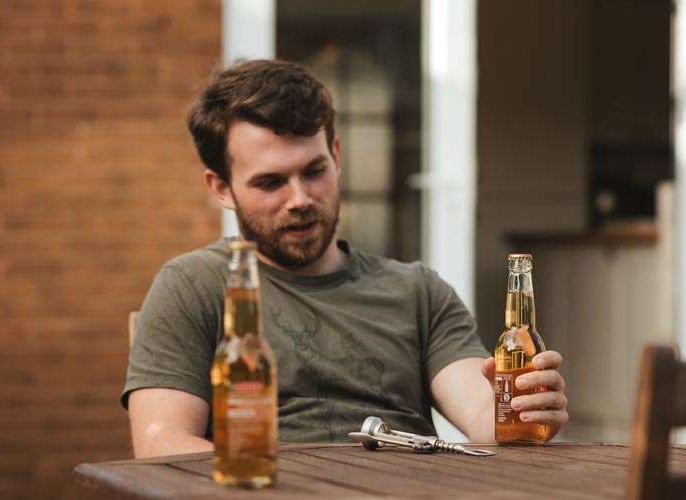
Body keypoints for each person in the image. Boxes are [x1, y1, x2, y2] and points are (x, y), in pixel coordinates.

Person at [121, 59, 569, 458]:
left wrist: (522, 412)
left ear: (336, 158)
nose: (300, 199)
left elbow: (484, 415)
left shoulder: (418, 291)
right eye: (270, 182)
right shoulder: (193, 285)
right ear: (221, 188)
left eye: (314, 171)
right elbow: (162, 445)